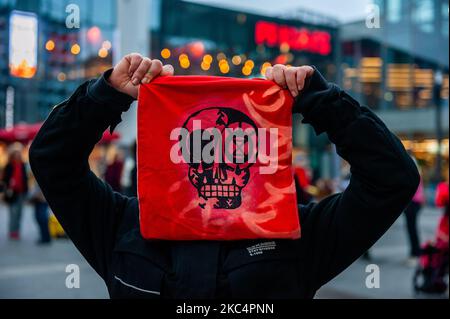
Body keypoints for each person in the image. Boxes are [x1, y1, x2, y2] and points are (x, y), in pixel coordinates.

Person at [29, 54, 420, 298]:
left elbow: (392, 178)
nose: (216, 164)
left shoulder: (295, 234)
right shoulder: (122, 227)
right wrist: (105, 95)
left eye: (229, 152)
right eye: (204, 150)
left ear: (252, 157)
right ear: (176, 151)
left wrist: (319, 99)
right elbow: (52, 160)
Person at [2, 145, 28, 240]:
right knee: (13, 212)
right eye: (15, 154)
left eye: (18, 154)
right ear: (12, 156)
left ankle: (17, 231)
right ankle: (12, 231)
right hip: (12, 193)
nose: (17, 156)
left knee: (20, 213)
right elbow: (4, 179)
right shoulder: (8, 166)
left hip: (22, 192)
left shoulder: (23, 165)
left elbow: (25, 179)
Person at [403, 176, 425, 263]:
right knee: (411, 228)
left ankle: (415, 254)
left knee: (412, 228)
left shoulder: (410, 169)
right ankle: (415, 252)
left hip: (413, 201)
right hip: (415, 201)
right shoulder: (414, 168)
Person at [29, 175, 51, 244]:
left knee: (42, 219)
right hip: (37, 200)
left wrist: (39, 195)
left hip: (42, 201)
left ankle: (46, 238)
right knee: (39, 218)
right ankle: (44, 236)